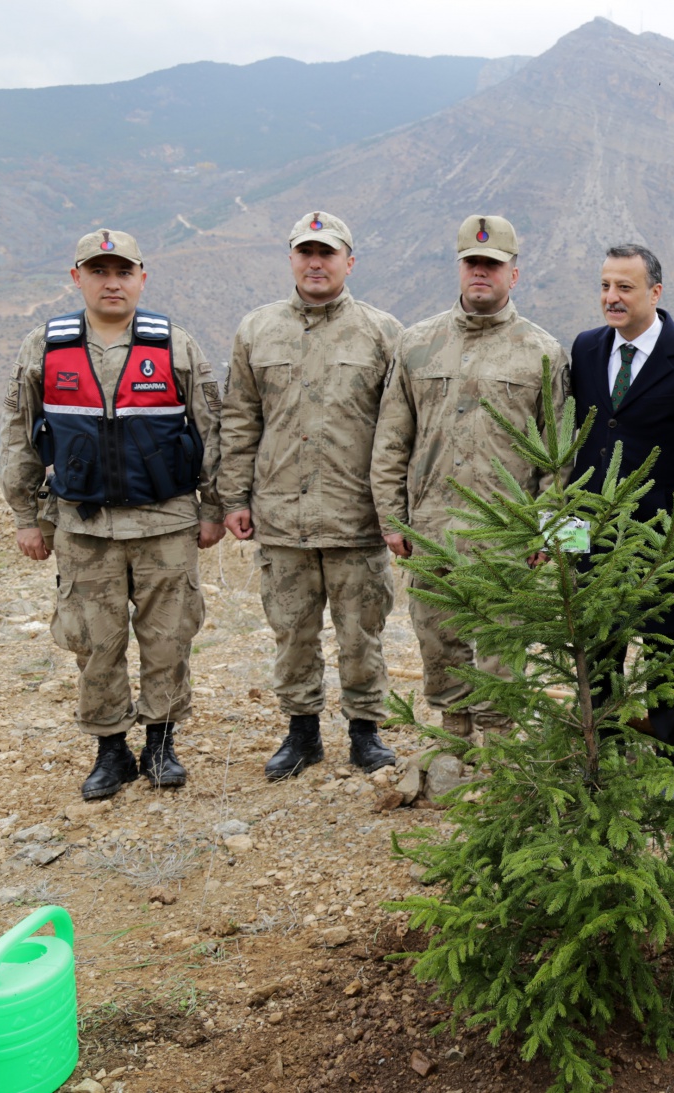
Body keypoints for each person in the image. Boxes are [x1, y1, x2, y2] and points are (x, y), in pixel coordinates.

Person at [0, 228, 224, 799]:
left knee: (168, 637)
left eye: (123, 271)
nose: (112, 282)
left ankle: (161, 745)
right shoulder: (45, 347)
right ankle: (110, 751)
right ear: (77, 278)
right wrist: (27, 516)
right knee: (94, 641)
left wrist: (216, 507)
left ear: (141, 277)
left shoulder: (174, 344)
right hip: (83, 525)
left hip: (166, 522)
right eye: (99, 271)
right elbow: (18, 437)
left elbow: (212, 431)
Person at [220, 211, 403, 780]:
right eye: (306, 252)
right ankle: (301, 734)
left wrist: (394, 510)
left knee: (361, 633)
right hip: (282, 518)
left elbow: (399, 429)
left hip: (356, 518)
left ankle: (365, 734)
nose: (316, 262)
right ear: (293, 259)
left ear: (349, 261)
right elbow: (240, 419)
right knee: (292, 634)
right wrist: (233, 497)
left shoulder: (382, 332)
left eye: (328, 253)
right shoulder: (257, 330)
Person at [370, 215, 568, 737]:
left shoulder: (544, 353)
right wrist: (393, 520)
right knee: (437, 639)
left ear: (513, 275)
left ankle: (501, 754)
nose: (481, 273)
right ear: (459, 269)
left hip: (508, 531)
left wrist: (549, 531)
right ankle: (453, 743)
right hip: (431, 528)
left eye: (493, 265)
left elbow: (559, 457)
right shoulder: (416, 344)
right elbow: (392, 439)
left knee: (504, 644)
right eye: (472, 263)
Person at [568, 244, 674, 763]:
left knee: (666, 657)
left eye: (625, 287)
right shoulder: (586, 350)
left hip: (662, 544)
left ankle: (667, 763)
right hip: (592, 539)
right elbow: (577, 451)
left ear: (655, 292)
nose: (611, 298)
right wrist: (567, 539)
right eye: (606, 286)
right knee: (600, 655)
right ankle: (605, 757)